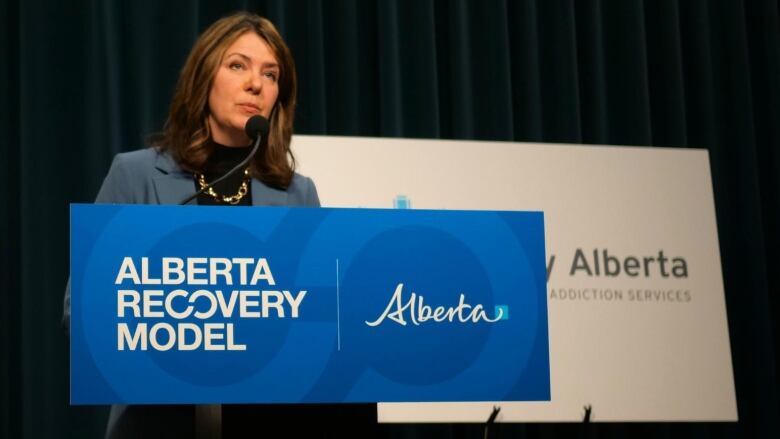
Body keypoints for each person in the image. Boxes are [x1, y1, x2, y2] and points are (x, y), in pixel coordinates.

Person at [61, 11, 374, 439]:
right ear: (204, 76)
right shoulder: (135, 175)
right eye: (237, 65)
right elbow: (79, 310)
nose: (255, 84)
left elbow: (319, 319)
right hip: (158, 422)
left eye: (271, 74)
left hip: (267, 419)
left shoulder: (297, 194)